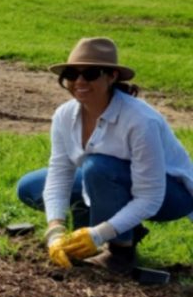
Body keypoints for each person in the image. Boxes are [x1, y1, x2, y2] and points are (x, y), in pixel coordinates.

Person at [16, 37, 193, 275]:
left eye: (90, 74)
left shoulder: (140, 121)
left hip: (171, 196)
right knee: (31, 186)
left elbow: (150, 197)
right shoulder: (64, 115)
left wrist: (98, 234)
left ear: (111, 77)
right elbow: (60, 172)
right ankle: (112, 225)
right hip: (112, 181)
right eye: (71, 73)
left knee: (97, 167)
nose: (79, 81)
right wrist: (55, 229)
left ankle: (119, 251)